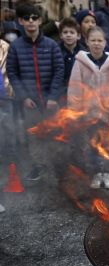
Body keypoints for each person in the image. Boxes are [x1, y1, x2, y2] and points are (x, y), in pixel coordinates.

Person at [6, 2, 64, 181]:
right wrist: (24, 97)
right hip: (30, 102)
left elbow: (59, 69)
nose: (31, 22)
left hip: (50, 100)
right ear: (20, 22)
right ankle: (39, 166)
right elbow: (13, 73)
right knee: (33, 135)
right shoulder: (16, 47)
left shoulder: (51, 45)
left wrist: (53, 97)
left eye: (34, 18)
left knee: (55, 133)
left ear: (40, 21)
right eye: (26, 18)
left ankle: (58, 166)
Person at [67, 26, 109, 189]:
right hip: (89, 114)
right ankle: (95, 174)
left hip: (107, 114)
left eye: (100, 40)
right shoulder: (80, 63)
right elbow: (75, 89)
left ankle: (107, 173)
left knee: (107, 145)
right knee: (93, 146)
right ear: (86, 42)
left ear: (105, 42)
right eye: (93, 40)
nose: (96, 44)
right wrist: (76, 114)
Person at [58, 17, 83, 106]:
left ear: (78, 36)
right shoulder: (56, 52)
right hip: (61, 94)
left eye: (72, 32)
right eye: (65, 32)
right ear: (61, 35)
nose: (68, 35)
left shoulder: (83, 53)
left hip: (81, 93)